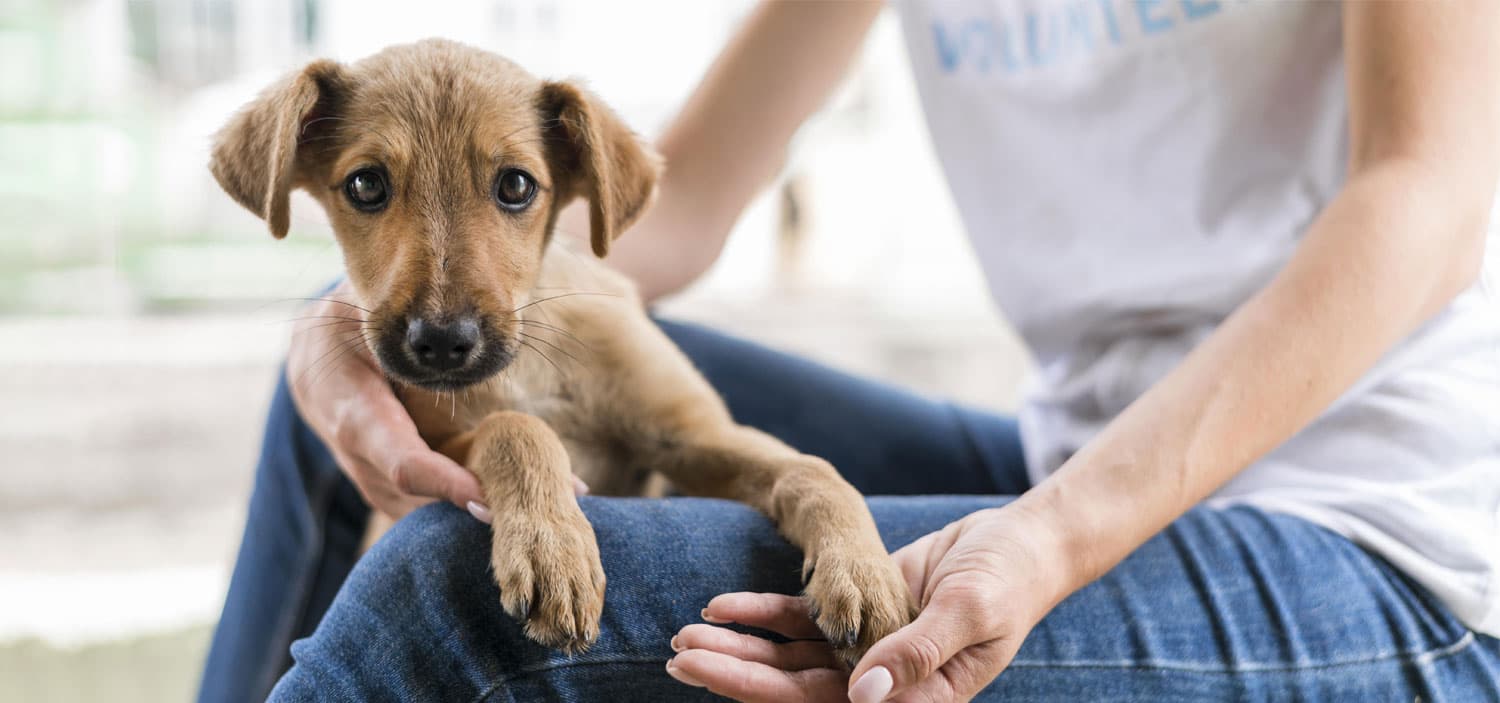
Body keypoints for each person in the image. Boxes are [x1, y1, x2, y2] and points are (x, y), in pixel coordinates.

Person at [198, 1, 1500, 700]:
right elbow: (681, 197)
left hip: (1380, 530)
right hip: (1075, 447)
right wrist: (351, 321)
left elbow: (1425, 205)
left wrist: (1051, 536)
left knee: (459, 588)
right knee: (347, 387)